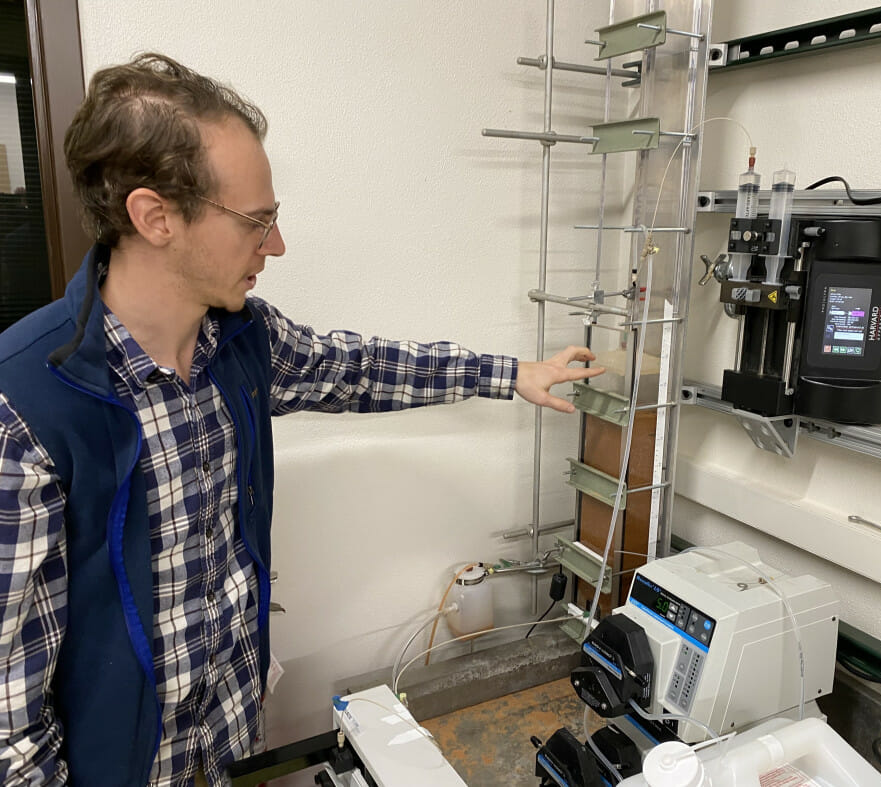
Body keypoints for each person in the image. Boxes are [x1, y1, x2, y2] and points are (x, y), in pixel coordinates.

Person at [0, 53, 602, 786]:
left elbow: (362, 367)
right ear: (155, 216)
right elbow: (11, 721)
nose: (275, 245)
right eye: (257, 221)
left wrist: (513, 374)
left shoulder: (240, 340)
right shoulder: (27, 406)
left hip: (224, 749)